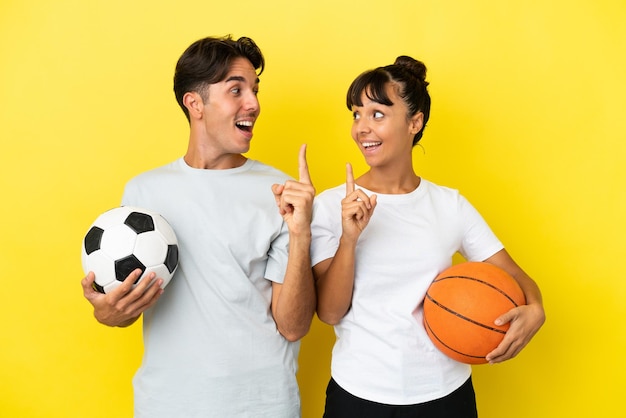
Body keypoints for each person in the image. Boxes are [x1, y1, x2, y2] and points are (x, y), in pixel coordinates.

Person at [81, 35, 316, 417]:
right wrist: (108, 312)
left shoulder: (280, 193)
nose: (253, 104)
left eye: (254, 90)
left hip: (262, 403)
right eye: (236, 89)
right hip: (168, 403)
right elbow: (126, 306)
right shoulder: (144, 191)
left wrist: (301, 233)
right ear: (195, 104)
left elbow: (293, 326)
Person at [310, 56, 545, 417]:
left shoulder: (449, 205)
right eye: (356, 114)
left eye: (377, 114)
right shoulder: (331, 205)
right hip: (357, 394)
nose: (361, 128)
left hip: (445, 394)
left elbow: (518, 278)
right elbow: (329, 312)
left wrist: (536, 309)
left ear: (414, 122)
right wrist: (349, 239)